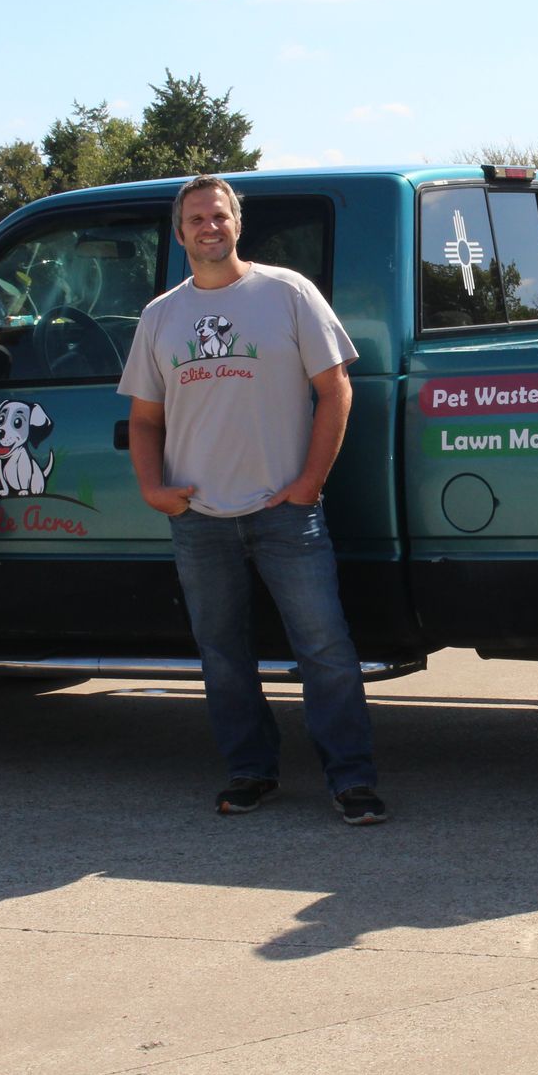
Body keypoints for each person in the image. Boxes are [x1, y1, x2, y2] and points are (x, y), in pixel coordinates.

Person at [118, 175, 388, 826]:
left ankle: (351, 779)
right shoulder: (160, 316)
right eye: (196, 219)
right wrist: (154, 491)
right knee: (223, 653)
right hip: (199, 519)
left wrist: (310, 483)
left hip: (285, 513)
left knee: (324, 647)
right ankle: (250, 770)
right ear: (180, 233)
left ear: (238, 223)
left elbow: (336, 389)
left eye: (220, 215)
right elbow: (145, 420)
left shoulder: (288, 293)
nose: (209, 227)